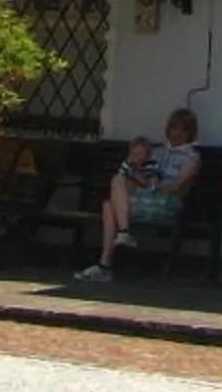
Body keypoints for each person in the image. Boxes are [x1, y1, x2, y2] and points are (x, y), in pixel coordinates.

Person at [74, 108, 200, 285]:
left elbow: (177, 186)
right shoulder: (157, 152)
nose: (175, 133)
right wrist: (134, 168)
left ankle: (106, 264)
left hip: (166, 202)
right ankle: (119, 240)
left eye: (181, 129)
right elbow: (139, 170)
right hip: (143, 196)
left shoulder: (191, 157)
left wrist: (152, 185)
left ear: (189, 133)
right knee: (116, 185)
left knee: (110, 207)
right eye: (172, 128)